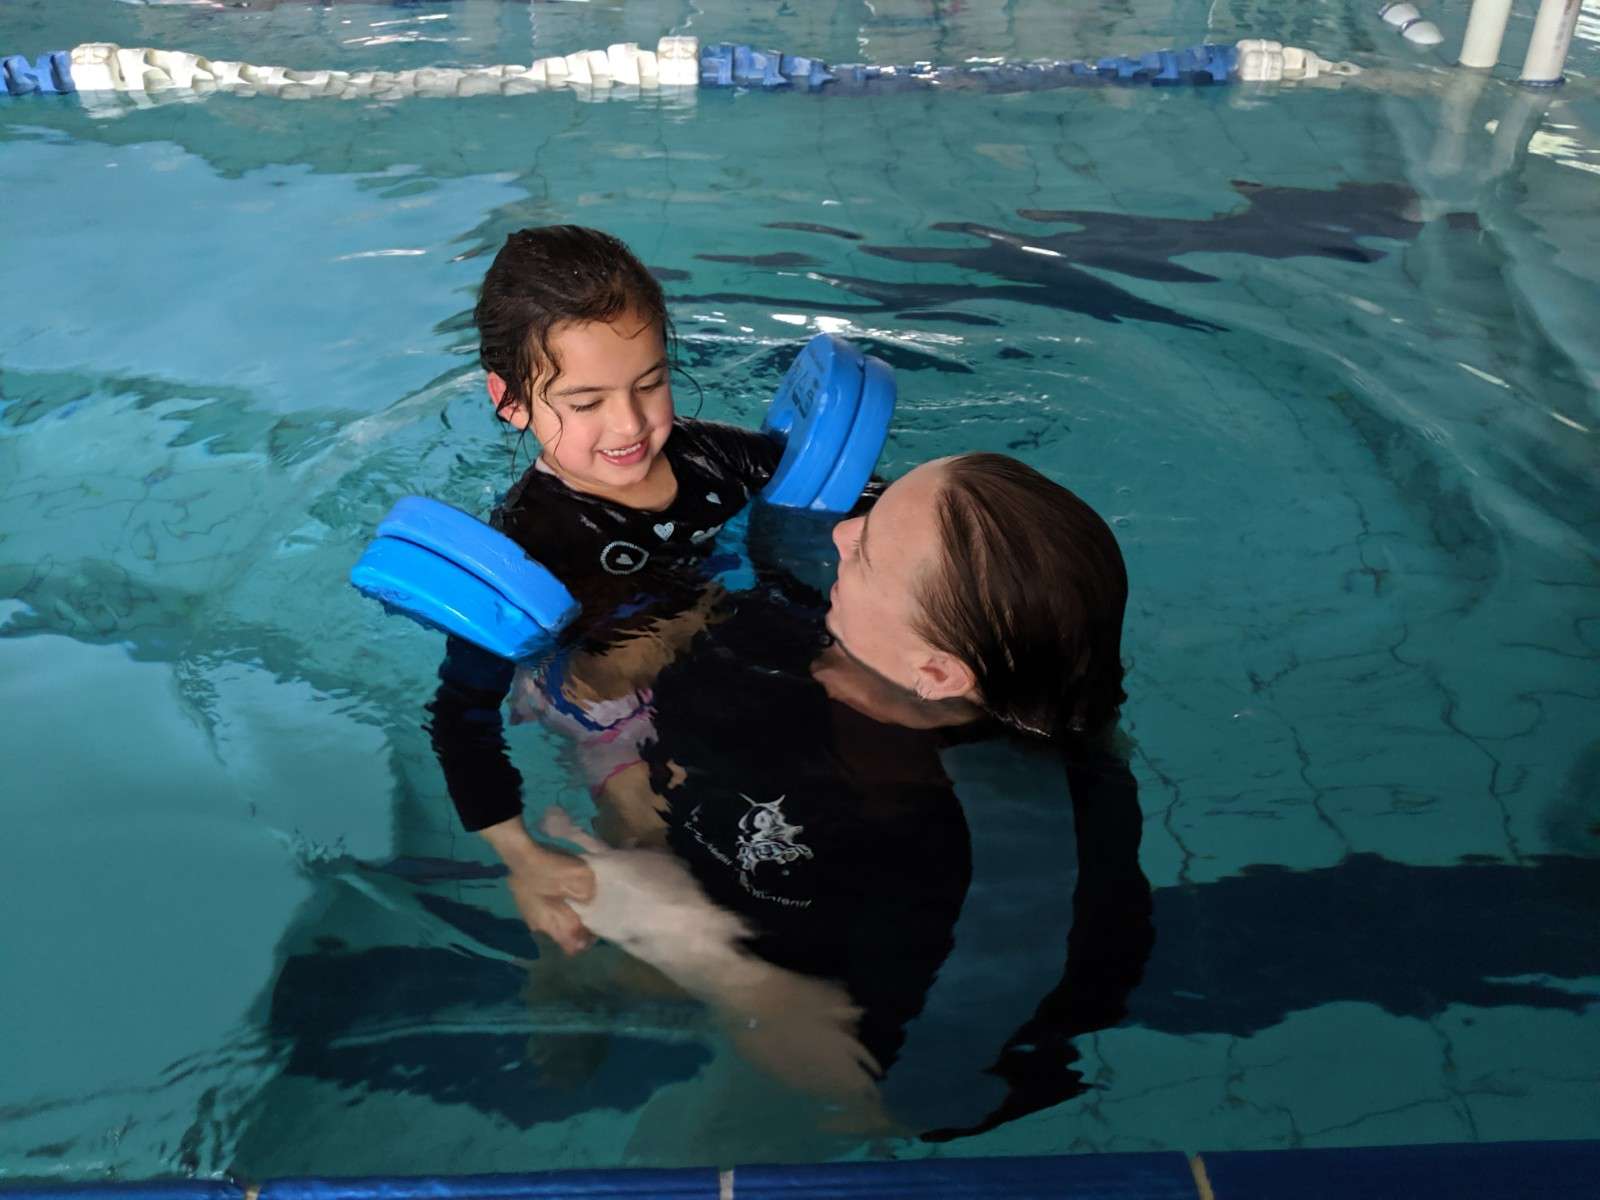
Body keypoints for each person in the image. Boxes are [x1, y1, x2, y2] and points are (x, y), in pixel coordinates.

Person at [427, 225, 787, 948]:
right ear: (512, 401)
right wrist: (522, 857)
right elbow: (460, 717)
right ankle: (575, 996)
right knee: (657, 848)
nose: (629, 425)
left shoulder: (714, 457)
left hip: (714, 647)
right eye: (586, 402)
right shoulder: (527, 550)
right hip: (604, 702)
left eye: (650, 384)